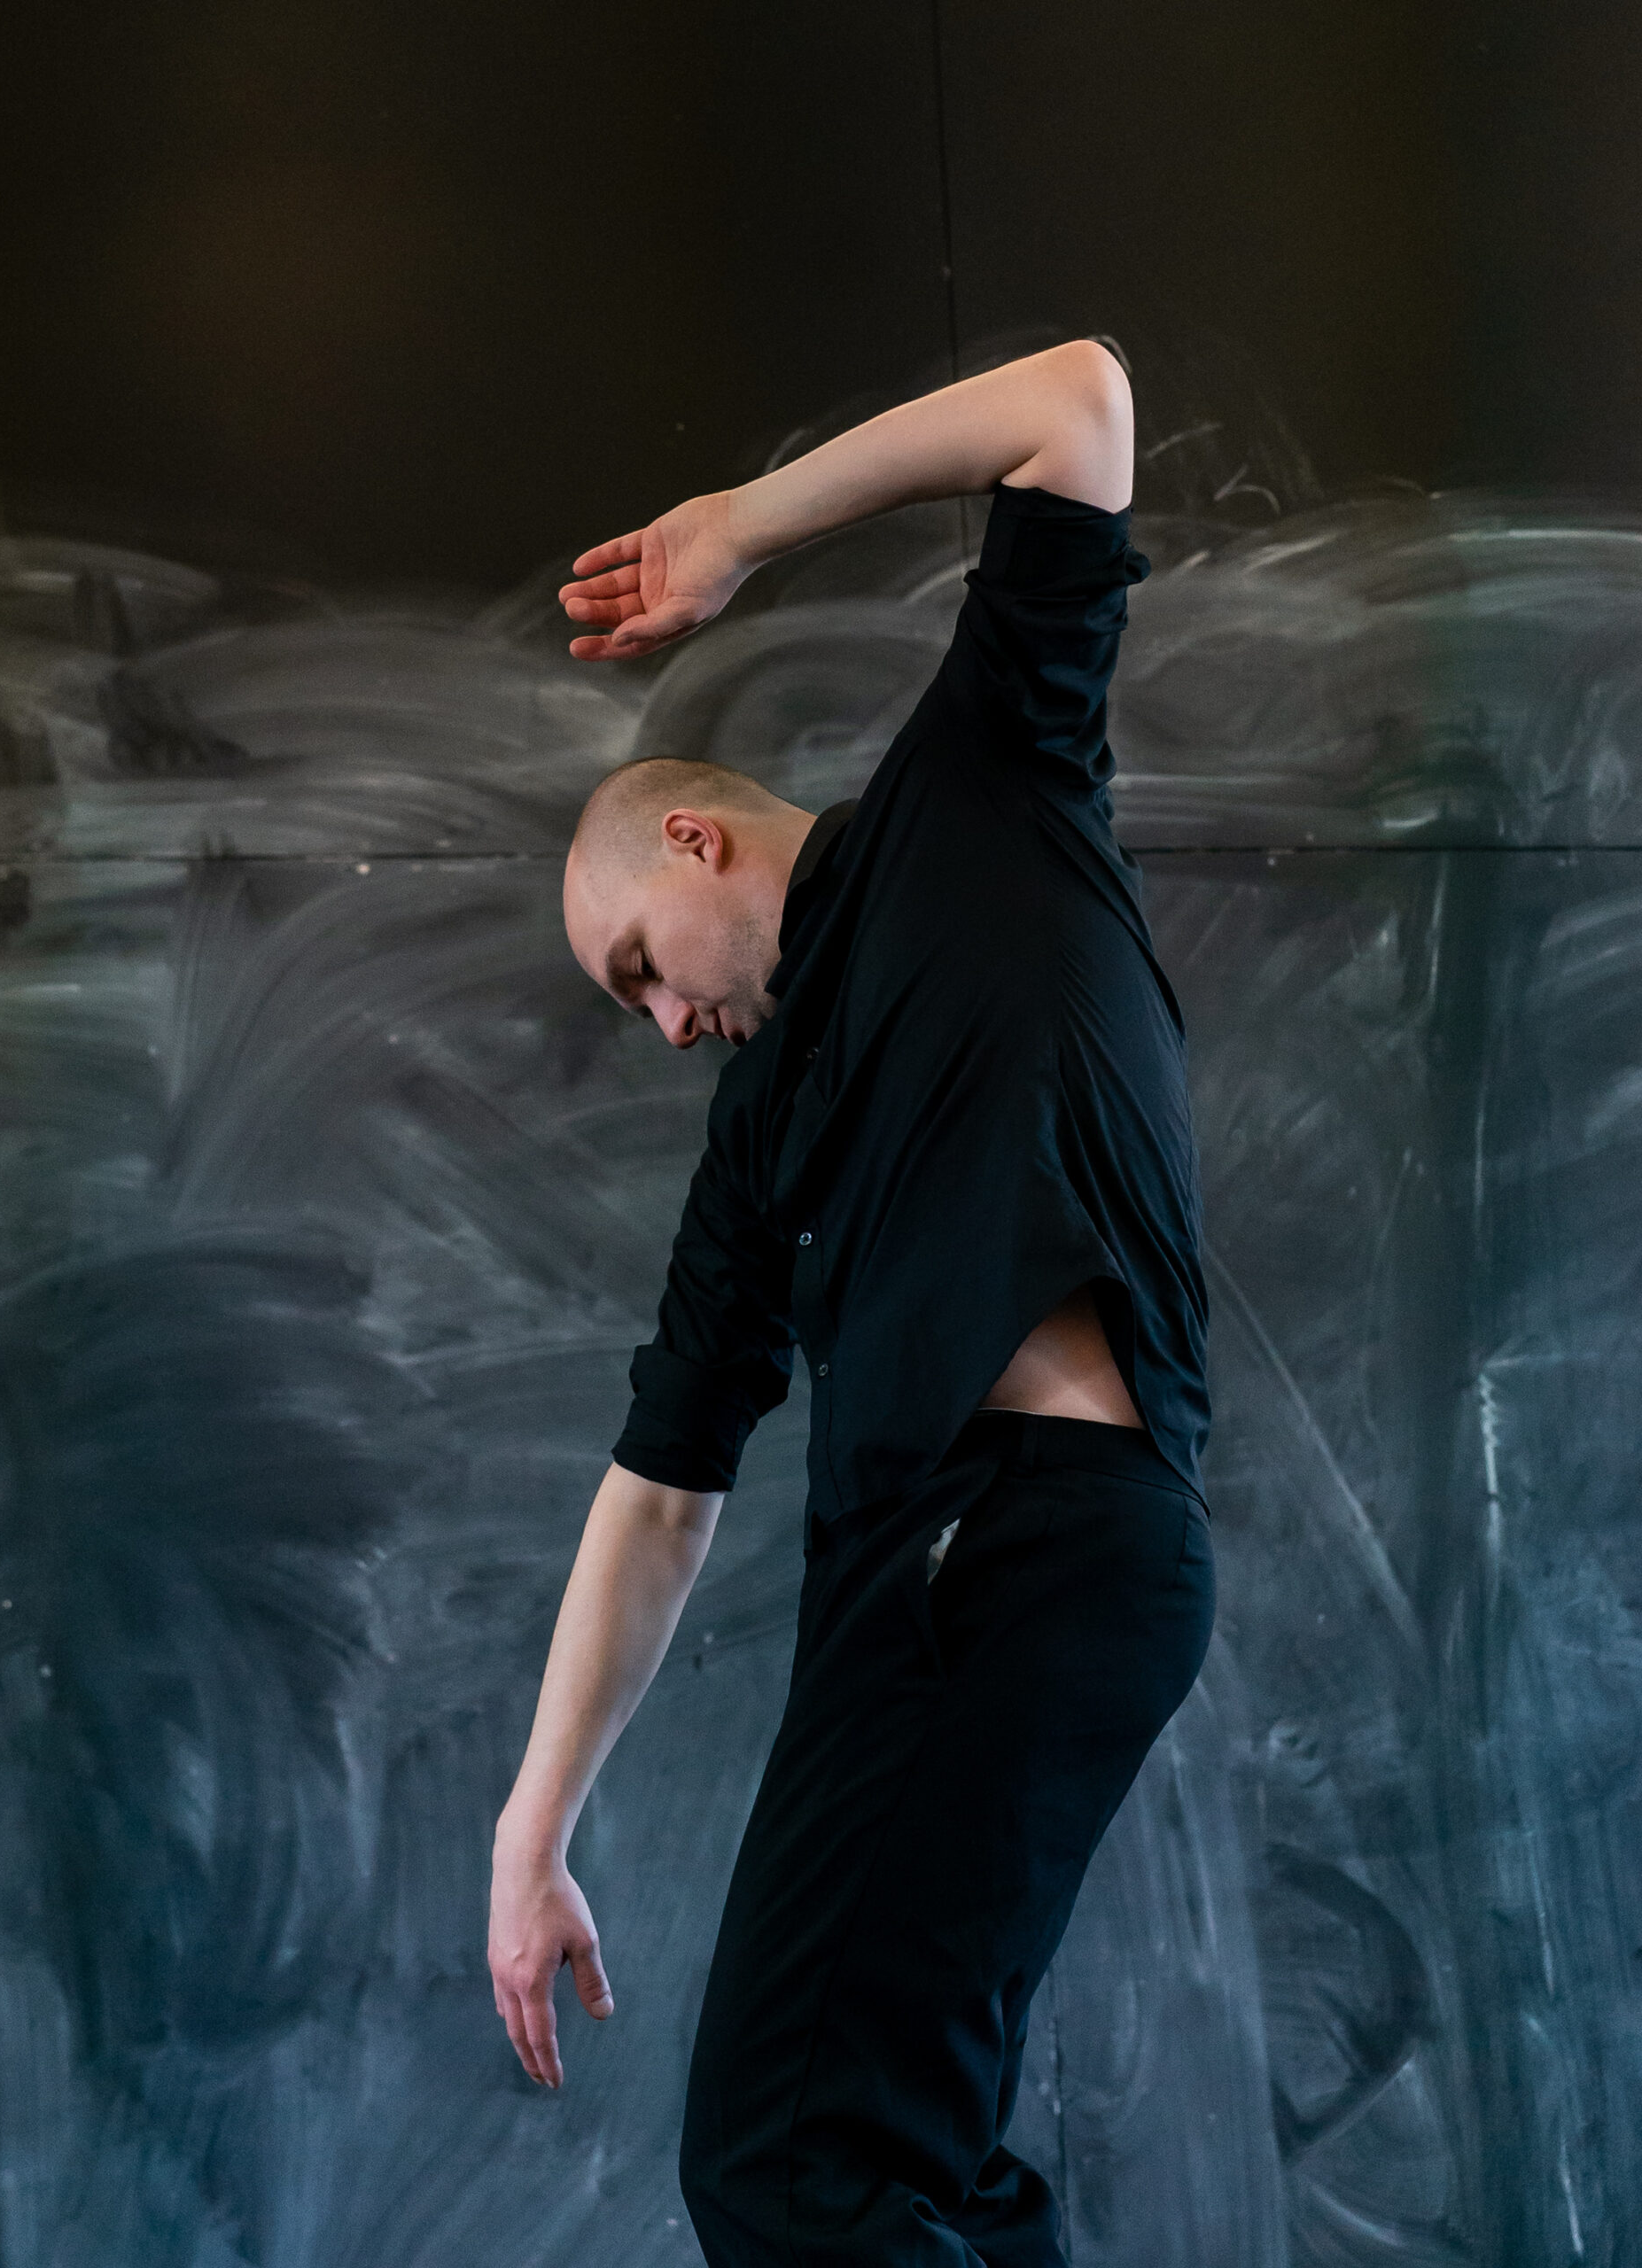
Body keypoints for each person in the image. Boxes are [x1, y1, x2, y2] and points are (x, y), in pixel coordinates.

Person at [487, 338, 1215, 2265]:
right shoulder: (762, 1141)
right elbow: (658, 1485)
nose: (663, 1021)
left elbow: (1077, 402)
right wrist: (532, 1825)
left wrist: (738, 525)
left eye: (640, 961)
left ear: (701, 842)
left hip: (1016, 1545)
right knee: (923, 2159)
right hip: (1008, 1575)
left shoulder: (982, 794)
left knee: (795, 2163)